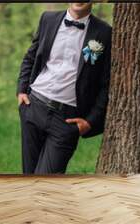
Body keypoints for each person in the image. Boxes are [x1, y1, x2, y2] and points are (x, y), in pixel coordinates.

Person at [17, 3, 112, 174]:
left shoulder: (104, 32)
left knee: (47, 182)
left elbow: (107, 85)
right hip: (34, 106)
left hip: (66, 120)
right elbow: (30, 57)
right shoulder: (48, 19)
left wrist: (90, 121)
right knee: (28, 177)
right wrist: (22, 90)